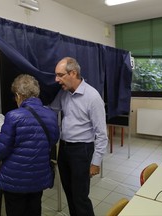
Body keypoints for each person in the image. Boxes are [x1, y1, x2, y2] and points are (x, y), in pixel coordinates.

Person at [0, 74, 60, 216]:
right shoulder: (51, 115)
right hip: (38, 177)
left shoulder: (13, 116)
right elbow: (52, 140)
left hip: (15, 180)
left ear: (18, 95)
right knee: (34, 210)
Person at [50, 57, 108, 216]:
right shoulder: (64, 93)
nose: (57, 80)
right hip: (64, 148)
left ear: (73, 73)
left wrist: (96, 162)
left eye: (60, 75)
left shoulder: (92, 97)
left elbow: (102, 134)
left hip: (82, 151)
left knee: (80, 197)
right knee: (69, 193)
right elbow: (51, 110)